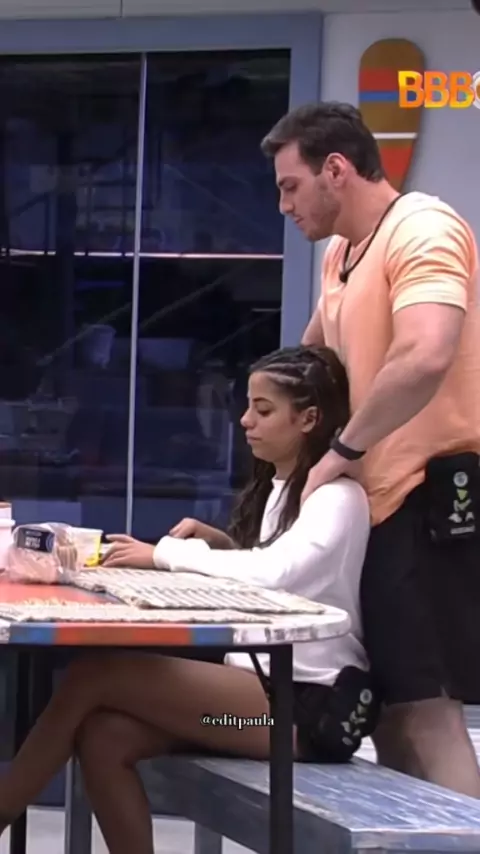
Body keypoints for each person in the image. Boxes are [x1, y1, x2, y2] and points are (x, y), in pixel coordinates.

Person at [0, 345, 376, 854]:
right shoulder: (282, 491)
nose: (245, 421)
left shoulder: (337, 498)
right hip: (243, 714)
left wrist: (165, 554)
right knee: (105, 736)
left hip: (291, 718)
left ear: (308, 418)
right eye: (248, 406)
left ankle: (2, 811)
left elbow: (276, 572)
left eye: (263, 410)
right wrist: (223, 547)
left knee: (98, 673)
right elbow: (282, 573)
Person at [260, 101, 480, 795]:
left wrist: (342, 451)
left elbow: (425, 353)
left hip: (424, 503)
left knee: (428, 713)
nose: (284, 206)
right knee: (389, 715)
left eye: (291, 187)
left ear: (336, 169)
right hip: (373, 512)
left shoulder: (423, 228)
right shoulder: (342, 254)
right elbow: (309, 364)